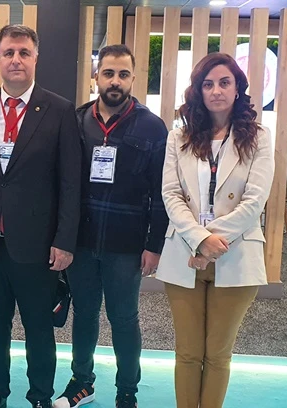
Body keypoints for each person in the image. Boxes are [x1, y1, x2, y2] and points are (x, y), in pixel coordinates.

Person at [0, 24, 81, 408]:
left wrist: (65, 240)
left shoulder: (59, 110)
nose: (16, 60)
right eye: (9, 53)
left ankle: (40, 396)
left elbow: (70, 183)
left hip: (38, 244)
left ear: (35, 59)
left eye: (24, 53)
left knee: (38, 328)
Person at [54, 44, 169, 408]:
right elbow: (61, 183)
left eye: (123, 74)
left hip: (127, 244)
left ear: (133, 78)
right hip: (82, 241)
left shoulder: (152, 127)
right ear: (97, 77)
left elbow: (161, 192)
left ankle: (127, 391)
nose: (115, 81)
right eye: (108, 73)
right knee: (84, 314)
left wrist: (154, 245)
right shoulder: (76, 120)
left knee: (124, 319)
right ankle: (81, 383)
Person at [156, 52, 273, 408]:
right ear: (199, 91)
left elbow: (255, 200)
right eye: (208, 84)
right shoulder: (179, 138)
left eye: (224, 82)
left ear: (238, 88)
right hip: (185, 254)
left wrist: (211, 240)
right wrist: (199, 239)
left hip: (236, 254)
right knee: (188, 353)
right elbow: (171, 194)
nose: (216, 91)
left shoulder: (259, 137)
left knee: (219, 354)